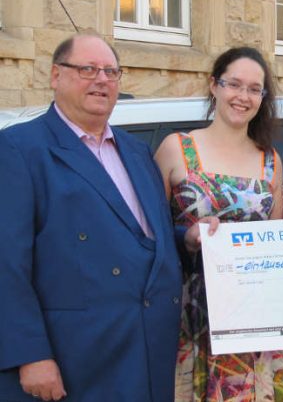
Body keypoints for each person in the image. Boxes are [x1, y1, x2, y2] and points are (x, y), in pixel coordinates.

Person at [0, 35, 182, 401]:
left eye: (111, 72)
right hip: (74, 360)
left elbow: (140, 239)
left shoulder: (136, 152)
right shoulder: (19, 149)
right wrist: (30, 353)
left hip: (143, 351)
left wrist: (188, 239)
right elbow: (6, 263)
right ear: (55, 75)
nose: (101, 79)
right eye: (87, 69)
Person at [154, 47, 283, 402]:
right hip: (187, 314)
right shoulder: (176, 148)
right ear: (214, 85)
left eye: (254, 89)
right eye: (234, 84)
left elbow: (278, 243)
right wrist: (187, 238)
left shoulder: (270, 161)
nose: (243, 96)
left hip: (251, 318)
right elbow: (144, 233)